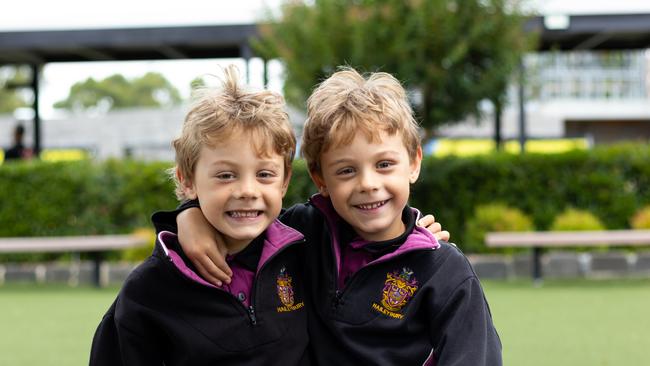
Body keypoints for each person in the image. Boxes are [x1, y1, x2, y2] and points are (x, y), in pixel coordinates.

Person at [157, 67, 501, 365]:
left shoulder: (445, 271)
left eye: (384, 164)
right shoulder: (298, 235)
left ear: (413, 163)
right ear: (321, 178)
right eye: (346, 170)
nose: (368, 184)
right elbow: (238, 222)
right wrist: (189, 216)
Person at [90, 65, 311, 365]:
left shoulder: (305, 248)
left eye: (264, 174)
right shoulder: (150, 288)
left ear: (285, 181)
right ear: (187, 180)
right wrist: (187, 214)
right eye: (225, 175)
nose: (247, 190)